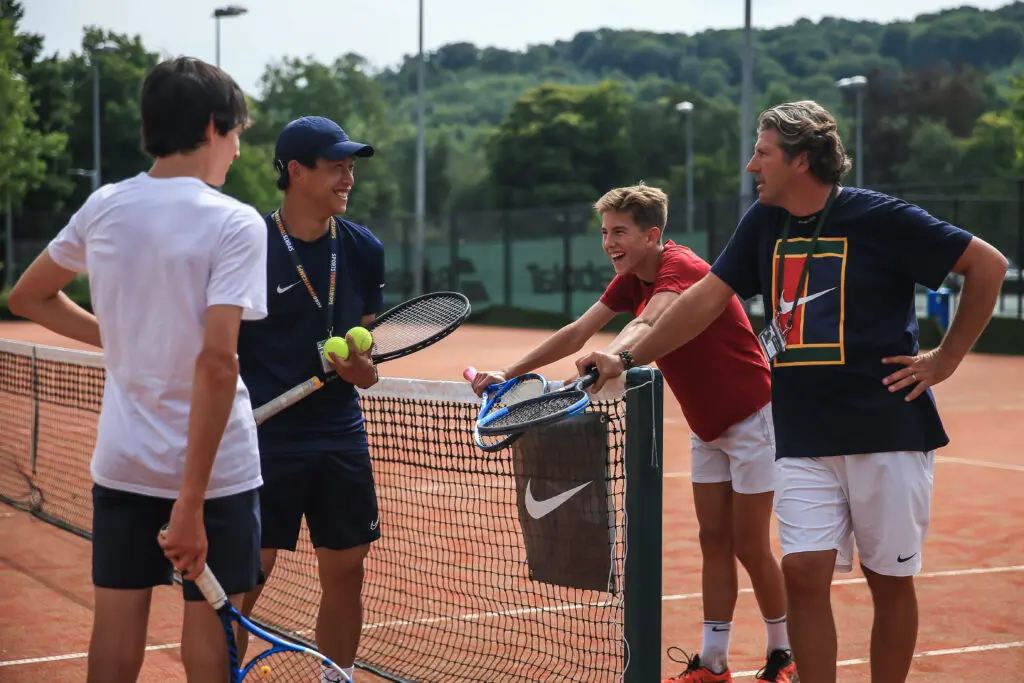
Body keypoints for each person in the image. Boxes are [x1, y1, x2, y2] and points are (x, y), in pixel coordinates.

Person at [575, 101, 1009, 683]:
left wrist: (946, 358)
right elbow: (701, 302)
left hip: (887, 428)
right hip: (802, 433)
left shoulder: (881, 217)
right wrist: (626, 357)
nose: (752, 165)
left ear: (801, 161)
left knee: (889, 581)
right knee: (803, 572)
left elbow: (987, 265)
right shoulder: (762, 224)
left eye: (763, 153)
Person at [468, 184, 799, 683]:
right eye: (604, 233)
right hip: (706, 425)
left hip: (754, 416)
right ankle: (714, 664)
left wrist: (614, 358)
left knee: (749, 544)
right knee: (713, 538)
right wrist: (509, 372)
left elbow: (651, 320)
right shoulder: (629, 278)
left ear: (653, 235)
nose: (609, 243)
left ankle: (783, 653)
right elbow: (578, 331)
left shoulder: (679, 267)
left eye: (620, 232)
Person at [8, 57, 268, 682]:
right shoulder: (235, 222)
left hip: (123, 465)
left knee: (115, 635)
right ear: (212, 127)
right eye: (236, 134)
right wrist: (191, 503)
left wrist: (124, 341)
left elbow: (28, 296)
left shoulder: (104, 206)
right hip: (216, 478)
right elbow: (216, 364)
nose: (235, 150)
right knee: (210, 634)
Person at [235, 116, 384, 683]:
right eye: (336, 166)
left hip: (338, 431)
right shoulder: (250, 244)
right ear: (296, 172)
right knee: (249, 573)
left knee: (347, 569)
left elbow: (370, 365)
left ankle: (335, 678)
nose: (348, 176)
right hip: (261, 434)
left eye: (351, 166)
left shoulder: (364, 248)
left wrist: (360, 371)